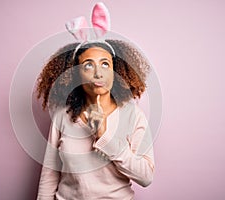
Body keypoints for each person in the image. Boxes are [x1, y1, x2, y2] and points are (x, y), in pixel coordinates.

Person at [36, 3, 154, 200]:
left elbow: (146, 177)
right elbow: (49, 176)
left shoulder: (133, 116)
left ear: (115, 72)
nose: (98, 73)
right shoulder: (61, 117)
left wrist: (104, 136)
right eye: (88, 65)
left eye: (105, 64)